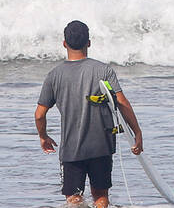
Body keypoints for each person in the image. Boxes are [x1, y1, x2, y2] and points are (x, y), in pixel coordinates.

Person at [35, 20, 143, 208]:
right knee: (100, 196)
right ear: (89, 43)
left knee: (74, 199)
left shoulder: (54, 75)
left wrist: (43, 137)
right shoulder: (103, 70)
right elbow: (122, 102)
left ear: (64, 43)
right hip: (101, 146)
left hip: (71, 149)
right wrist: (137, 133)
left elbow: (39, 114)